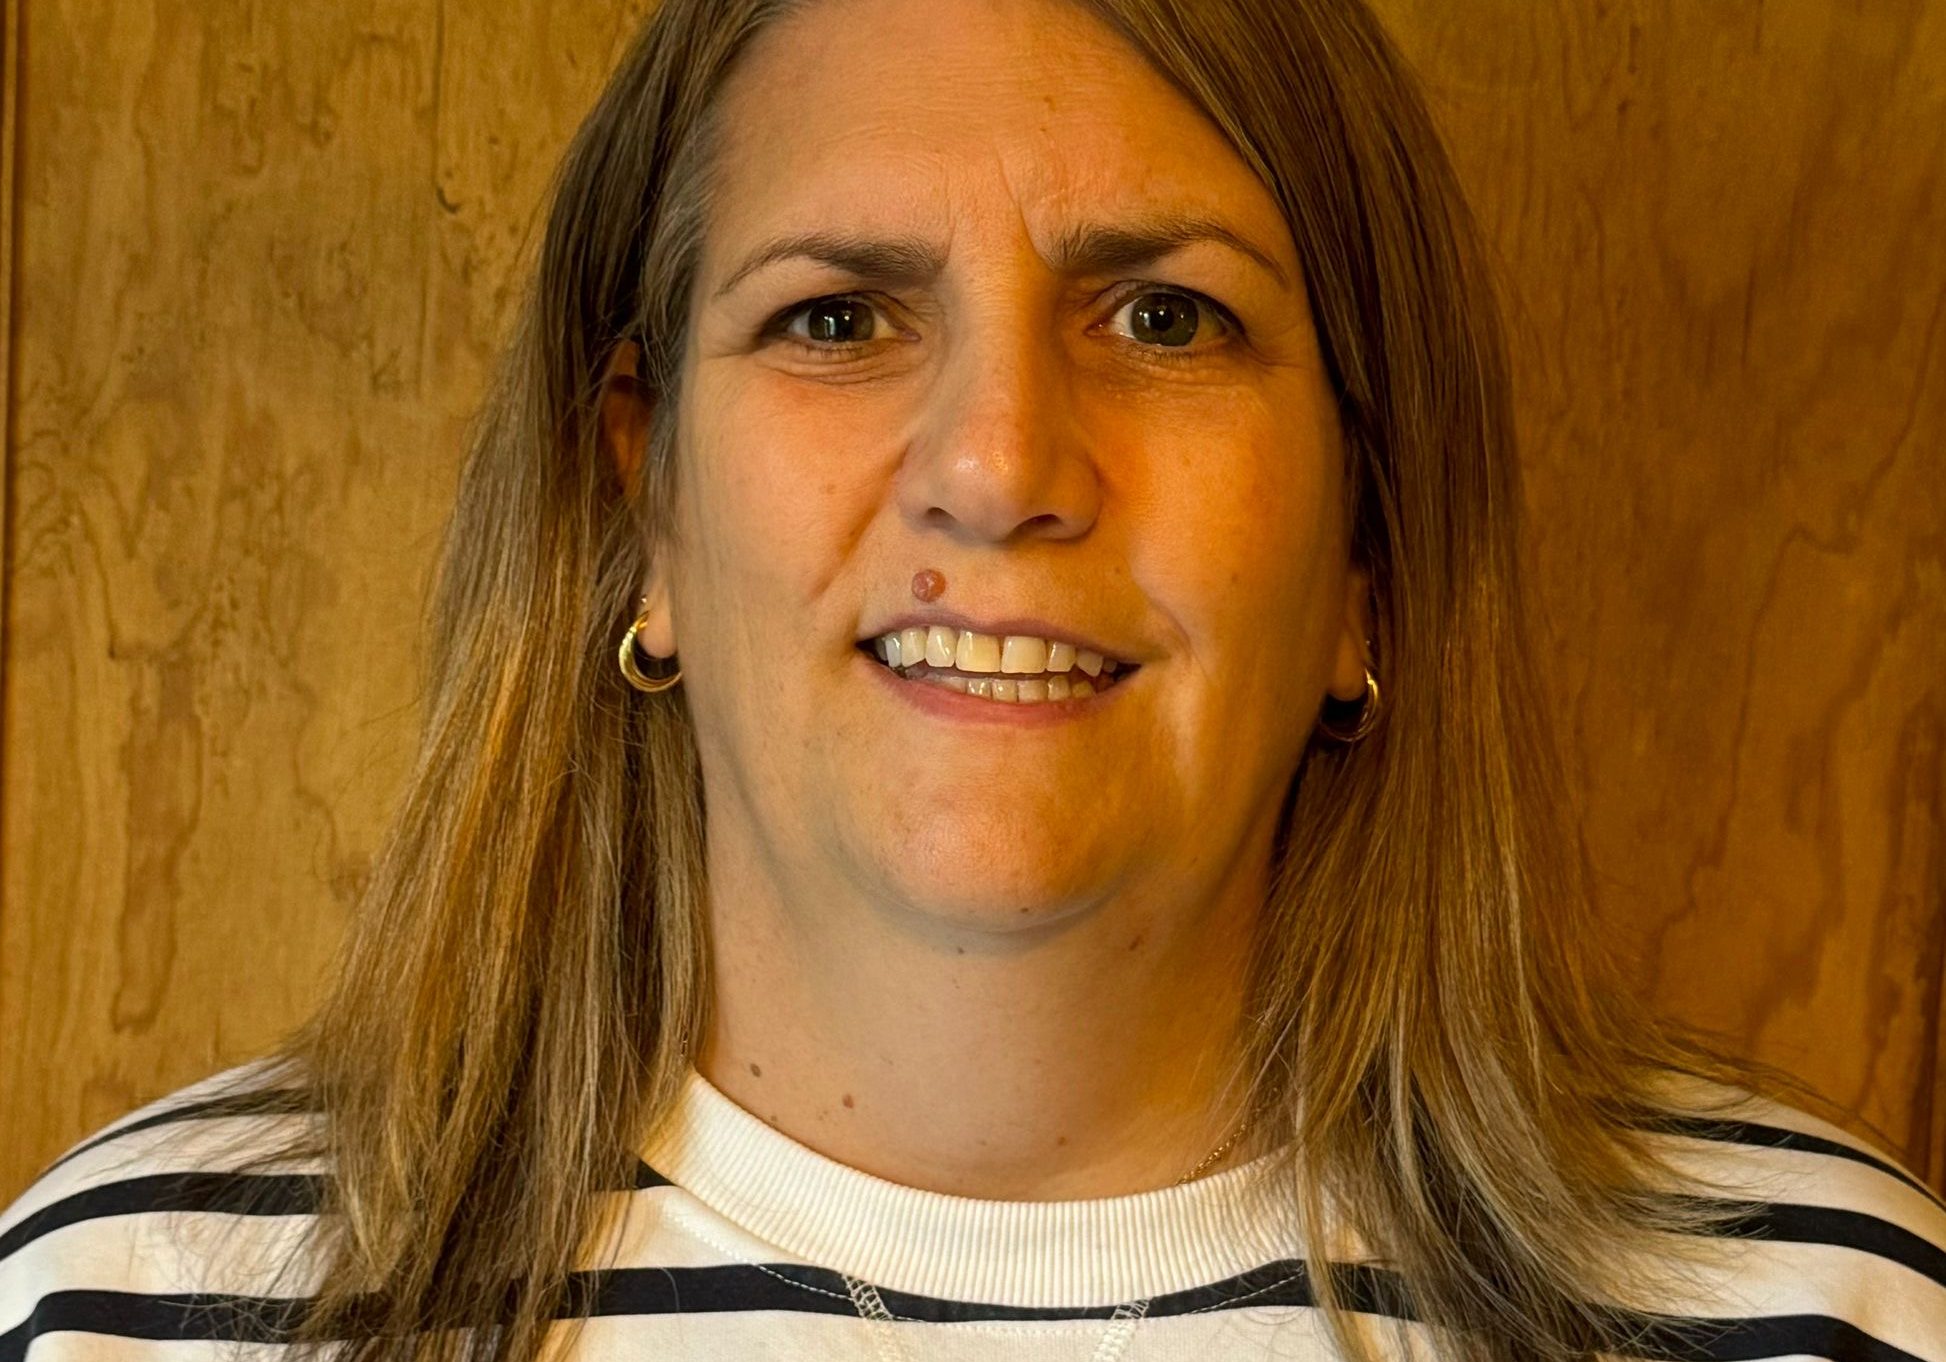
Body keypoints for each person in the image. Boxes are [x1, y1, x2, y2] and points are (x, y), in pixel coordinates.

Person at [3, 1, 1942, 1360]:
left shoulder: (1814, 1322)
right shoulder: (133, 1315)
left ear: (1368, 546)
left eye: (1164, 317)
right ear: (643, 508)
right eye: (836, 317)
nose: (1001, 461)